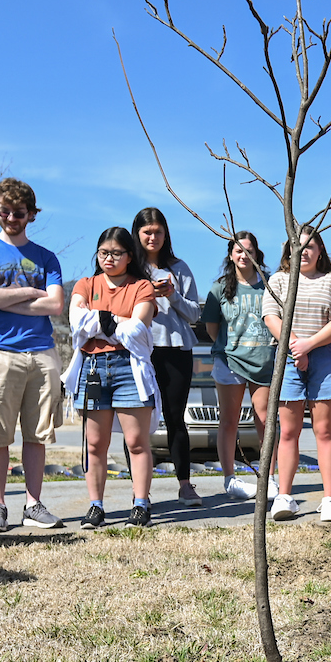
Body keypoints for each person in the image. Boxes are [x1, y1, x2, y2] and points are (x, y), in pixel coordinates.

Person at [0, 177, 66, 533]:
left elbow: (55, 304)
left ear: (31, 215)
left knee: (37, 435)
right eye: (4, 211)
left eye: (19, 212)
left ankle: (33, 504)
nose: (11, 217)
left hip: (42, 354)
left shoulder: (46, 257)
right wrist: (29, 293)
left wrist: (4, 296)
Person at [64, 228, 160, 529]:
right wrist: (118, 321)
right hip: (92, 368)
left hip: (128, 367)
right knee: (95, 444)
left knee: (136, 442)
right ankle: (96, 506)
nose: (109, 258)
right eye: (103, 252)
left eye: (116, 253)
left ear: (130, 256)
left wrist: (103, 319)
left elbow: (138, 331)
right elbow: (76, 324)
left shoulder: (142, 287)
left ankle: (141, 503)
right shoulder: (85, 284)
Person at [262, 226, 331, 522]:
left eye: (311, 246)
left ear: (321, 250)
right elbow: (270, 316)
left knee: (324, 430)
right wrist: (294, 347)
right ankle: (284, 495)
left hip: (324, 355)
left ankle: (329, 499)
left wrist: (309, 345)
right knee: (288, 431)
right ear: (288, 250)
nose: (305, 251)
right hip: (287, 356)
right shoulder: (278, 279)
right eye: (298, 246)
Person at [131, 207, 204, 508]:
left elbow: (195, 314)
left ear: (166, 234)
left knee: (176, 418)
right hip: (141, 351)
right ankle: (140, 492)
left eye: (158, 231)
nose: (153, 237)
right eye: (147, 232)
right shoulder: (130, 268)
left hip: (176, 350)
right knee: (139, 422)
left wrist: (172, 295)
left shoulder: (179, 266)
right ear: (137, 233)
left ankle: (185, 485)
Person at [200, 231, 278, 501]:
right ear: (231, 255)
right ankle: (229, 478)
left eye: (249, 250)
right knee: (229, 421)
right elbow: (212, 327)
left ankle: (270, 477)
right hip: (230, 362)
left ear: (257, 254)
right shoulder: (220, 288)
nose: (244, 255)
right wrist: (230, 346)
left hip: (265, 362)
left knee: (266, 420)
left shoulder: (270, 284)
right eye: (238, 251)